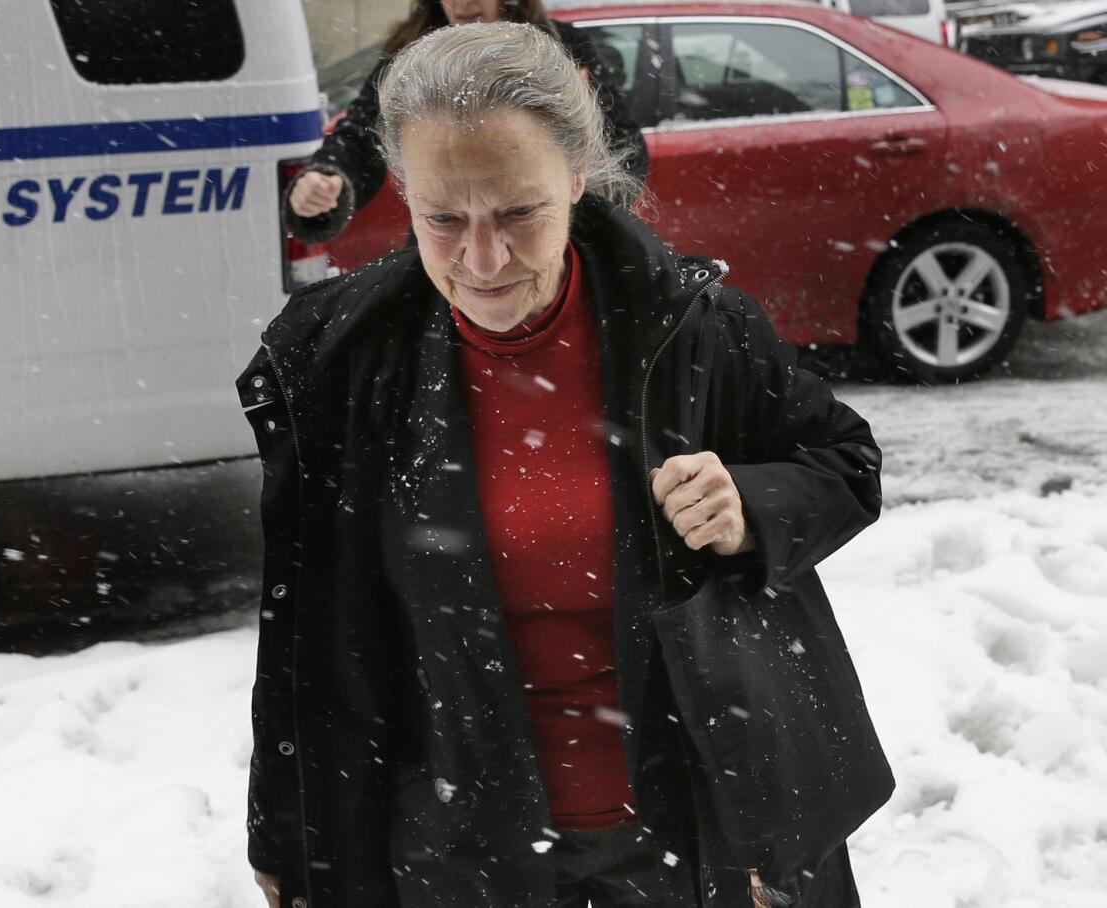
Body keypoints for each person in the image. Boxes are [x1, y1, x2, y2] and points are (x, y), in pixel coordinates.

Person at [239, 21, 893, 908]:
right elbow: (308, 626)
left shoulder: (692, 329)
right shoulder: (348, 364)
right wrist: (288, 829)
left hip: (694, 831)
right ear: (402, 191)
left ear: (577, 177)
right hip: (464, 847)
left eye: (518, 211)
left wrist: (752, 502)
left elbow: (845, 461)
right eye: (443, 218)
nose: (483, 259)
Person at [283, 0, 649, 245]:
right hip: (446, 254)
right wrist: (330, 178)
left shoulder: (563, 49)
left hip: (552, 245)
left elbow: (625, 149)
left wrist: (578, 192)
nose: (462, 2)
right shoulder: (411, 56)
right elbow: (362, 134)